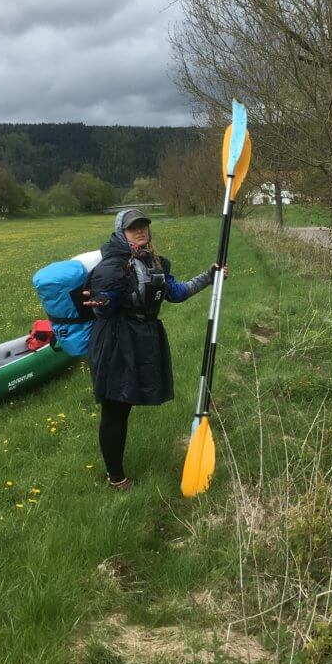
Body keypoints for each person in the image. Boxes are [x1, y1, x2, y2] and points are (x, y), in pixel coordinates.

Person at [84, 208, 226, 490]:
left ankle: (116, 472)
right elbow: (106, 298)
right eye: (132, 228)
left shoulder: (156, 262)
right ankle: (116, 478)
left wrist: (209, 277)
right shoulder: (111, 266)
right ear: (120, 233)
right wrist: (102, 303)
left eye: (143, 225)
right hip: (115, 340)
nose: (140, 231)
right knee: (115, 407)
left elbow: (176, 292)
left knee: (124, 406)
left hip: (142, 338)